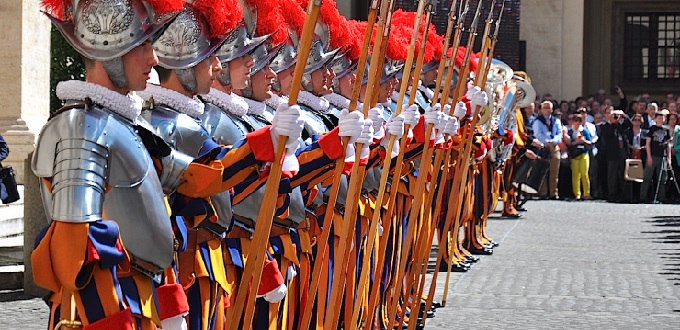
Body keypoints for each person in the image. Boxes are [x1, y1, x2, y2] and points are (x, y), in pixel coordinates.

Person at [532, 100, 563, 199]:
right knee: (543, 171)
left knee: (554, 172)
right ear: (541, 109)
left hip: (554, 147)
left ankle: (554, 193)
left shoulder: (556, 121)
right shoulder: (537, 121)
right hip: (543, 147)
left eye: (549, 108)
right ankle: (543, 192)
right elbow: (538, 134)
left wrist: (553, 142)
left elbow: (559, 133)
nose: (547, 110)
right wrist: (547, 142)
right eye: (545, 107)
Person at [640, 109, 672, 203]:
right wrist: (649, 156)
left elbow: (668, 145)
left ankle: (661, 197)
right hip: (653, 156)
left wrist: (669, 158)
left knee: (662, 179)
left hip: (663, 157)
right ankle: (643, 196)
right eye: (659, 117)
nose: (661, 119)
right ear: (655, 119)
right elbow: (648, 143)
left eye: (662, 118)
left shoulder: (666, 130)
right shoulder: (652, 129)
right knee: (647, 177)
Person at [599, 109, 631, 202]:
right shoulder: (605, 126)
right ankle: (612, 194)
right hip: (612, 153)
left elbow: (629, 124)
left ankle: (624, 194)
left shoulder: (621, 125)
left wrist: (623, 114)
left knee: (624, 173)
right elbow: (607, 135)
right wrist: (613, 123)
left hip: (623, 151)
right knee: (612, 174)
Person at [564, 114, 592, 200]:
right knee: (575, 175)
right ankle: (577, 194)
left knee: (584, 174)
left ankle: (586, 193)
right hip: (574, 155)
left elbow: (590, 142)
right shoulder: (570, 131)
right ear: (572, 121)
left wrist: (584, 141)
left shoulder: (584, 131)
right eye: (576, 120)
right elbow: (568, 143)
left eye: (580, 120)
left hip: (584, 153)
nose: (578, 122)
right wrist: (576, 142)